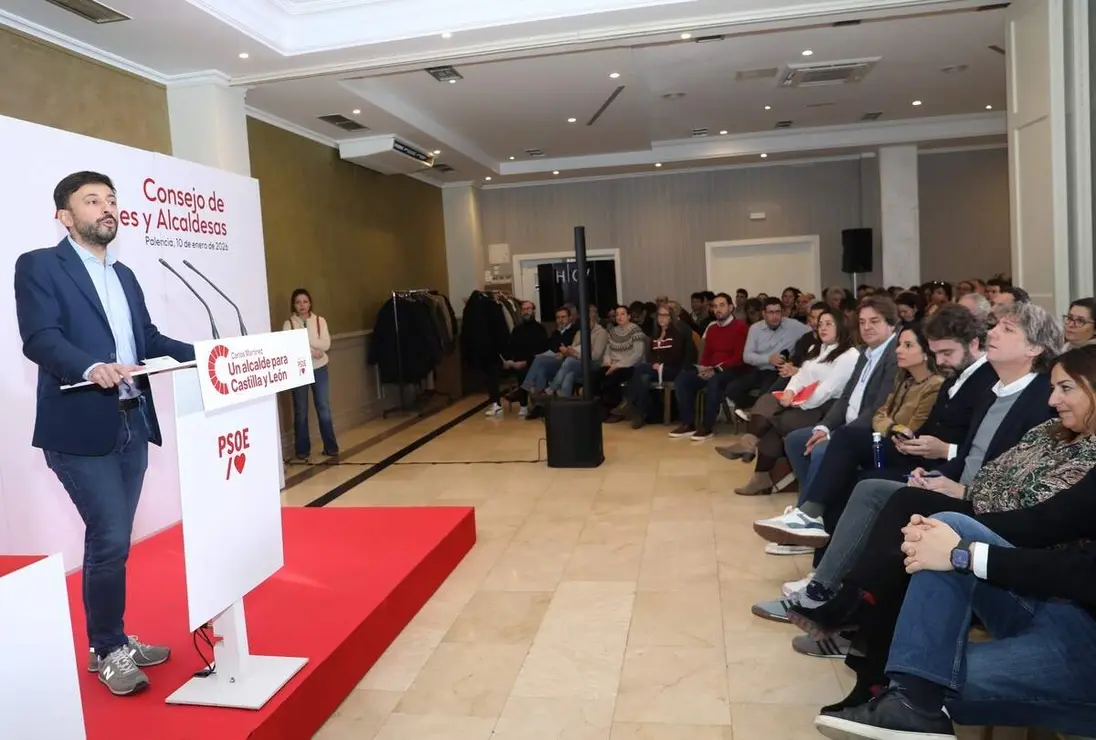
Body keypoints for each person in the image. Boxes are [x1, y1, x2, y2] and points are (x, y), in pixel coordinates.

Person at [787, 303, 1065, 708]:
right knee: (883, 499)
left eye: (1007, 329)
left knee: (905, 520)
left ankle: (854, 612)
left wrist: (961, 489)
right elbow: (970, 455)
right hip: (962, 490)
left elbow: (1018, 480)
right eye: (996, 325)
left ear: (1035, 348)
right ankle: (850, 612)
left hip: (993, 512)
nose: (994, 332)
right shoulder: (996, 390)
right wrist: (941, 476)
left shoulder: (1042, 398)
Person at [810, 346, 1096, 736]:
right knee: (944, 525)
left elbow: (1084, 572)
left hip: (1086, 652)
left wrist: (965, 555)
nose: (1052, 400)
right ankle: (906, 699)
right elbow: (1048, 520)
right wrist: (954, 537)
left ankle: (902, 689)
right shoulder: (1057, 435)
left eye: (1066, 388)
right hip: (1069, 614)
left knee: (931, 675)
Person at [14, 171, 195, 696]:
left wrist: (210, 353)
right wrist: (90, 365)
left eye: (111, 199)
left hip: (131, 422)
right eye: (92, 200)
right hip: (78, 427)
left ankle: (110, 638)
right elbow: (40, 338)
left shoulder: (127, 275)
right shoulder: (40, 266)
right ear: (65, 216)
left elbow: (150, 339)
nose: (106, 207)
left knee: (114, 541)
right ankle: (108, 648)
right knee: (110, 536)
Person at [717, 308, 859, 495]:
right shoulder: (816, 349)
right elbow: (801, 375)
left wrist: (796, 403)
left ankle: (755, 463)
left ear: (841, 326)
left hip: (826, 409)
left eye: (829, 324)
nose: (822, 328)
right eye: (820, 324)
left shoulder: (849, 355)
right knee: (768, 400)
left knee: (775, 423)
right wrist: (789, 392)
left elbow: (828, 389)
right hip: (803, 401)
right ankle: (750, 450)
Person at [780, 296, 901, 500]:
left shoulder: (894, 356)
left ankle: (811, 512)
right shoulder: (867, 353)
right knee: (795, 441)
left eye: (874, 321)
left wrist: (839, 435)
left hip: (870, 431)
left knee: (820, 450)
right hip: (847, 425)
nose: (867, 327)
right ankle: (812, 499)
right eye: (862, 322)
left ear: (891, 323)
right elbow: (846, 397)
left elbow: (879, 407)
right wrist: (824, 428)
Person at [668, 293, 748, 442]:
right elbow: (707, 353)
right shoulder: (712, 329)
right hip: (711, 369)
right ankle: (688, 423)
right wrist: (703, 368)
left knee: (715, 381)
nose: (718, 309)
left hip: (732, 371)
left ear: (731, 308)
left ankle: (707, 427)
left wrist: (716, 369)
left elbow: (739, 357)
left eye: (722, 305)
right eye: (715, 306)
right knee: (683, 379)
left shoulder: (740, 327)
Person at [723, 297, 811, 413]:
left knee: (766, 393)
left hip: (779, 371)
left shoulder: (794, 326)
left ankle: (756, 411)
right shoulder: (755, 329)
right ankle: (755, 408)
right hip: (760, 369)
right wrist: (768, 359)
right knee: (731, 389)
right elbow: (747, 356)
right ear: (764, 313)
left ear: (782, 312)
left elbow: (812, 332)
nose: (775, 316)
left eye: (778, 312)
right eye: (771, 312)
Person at [284, 288, 338, 459]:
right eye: (298, 302)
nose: (302, 305)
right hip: (299, 369)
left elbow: (326, 344)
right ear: (293, 304)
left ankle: (331, 447)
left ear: (310, 303)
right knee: (301, 410)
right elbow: (291, 347)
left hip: (320, 368)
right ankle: (302, 450)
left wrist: (305, 339)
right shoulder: (289, 324)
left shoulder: (320, 321)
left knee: (323, 407)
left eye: (305, 302)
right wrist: (311, 351)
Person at [616, 304, 687, 428]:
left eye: (665, 315)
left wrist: (660, 364)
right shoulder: (656, 333)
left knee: (641, 368)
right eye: (659, 315)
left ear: (671, 317)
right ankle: (640, 414)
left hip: (672, 369)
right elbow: (651, 354)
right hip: (655, 370)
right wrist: (654, 363)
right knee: (644, 378)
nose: (661, 318)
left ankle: (628, 401)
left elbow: (676, 355)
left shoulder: (677, 333)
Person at [484, 301, 552, 417]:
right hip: (515, 362)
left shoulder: (540, 329)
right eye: (523, 309)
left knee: (523, 372)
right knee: (492, 368)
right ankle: (496, 404)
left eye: (528, 309)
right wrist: (508, 360)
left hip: (532, 363)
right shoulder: (517, 329)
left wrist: (524, 362)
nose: (526, 311)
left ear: (533, 311)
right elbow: (510, 347)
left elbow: (542, 352)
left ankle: (524, 405)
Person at [597, 305, 647, 417]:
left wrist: (618, 365)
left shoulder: (636, 330)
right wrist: (608, 363)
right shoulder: (613, 332)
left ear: (629, 316)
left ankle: (615, 410)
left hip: (630, 365)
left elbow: (637, 354)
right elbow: (607, 351)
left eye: (622, 314)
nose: (619, 317)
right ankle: (601, 409)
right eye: (617, 314)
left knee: (610, 380)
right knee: (595, 377)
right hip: (613, 364)